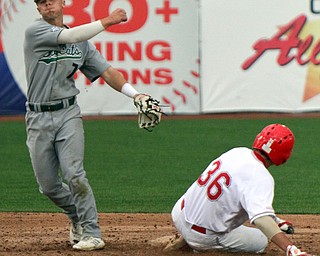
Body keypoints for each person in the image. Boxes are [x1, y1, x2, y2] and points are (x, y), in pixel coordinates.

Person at [24, 0, 147, 251]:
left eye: (51, 0)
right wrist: (108, 20)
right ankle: (77, 216)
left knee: (74, 174)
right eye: (41, 2)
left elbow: (108, 72)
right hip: (37, 117)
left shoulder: (81, 44)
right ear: (38, 9)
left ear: (62, 3)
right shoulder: (35, 32)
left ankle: (92, 231)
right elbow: (69, 35)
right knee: (48, 186)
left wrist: (136, 95)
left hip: (68, 112)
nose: (47, 4)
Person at [168, 124, 313, 256]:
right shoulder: (262, 177)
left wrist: (275, 220)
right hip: (203, 237)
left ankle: (185, 238)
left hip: (180, 214)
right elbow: (261, 220)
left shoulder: (237, 152)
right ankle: (197, 245)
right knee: (261, 240)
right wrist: (291, 249)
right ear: (284, 156)